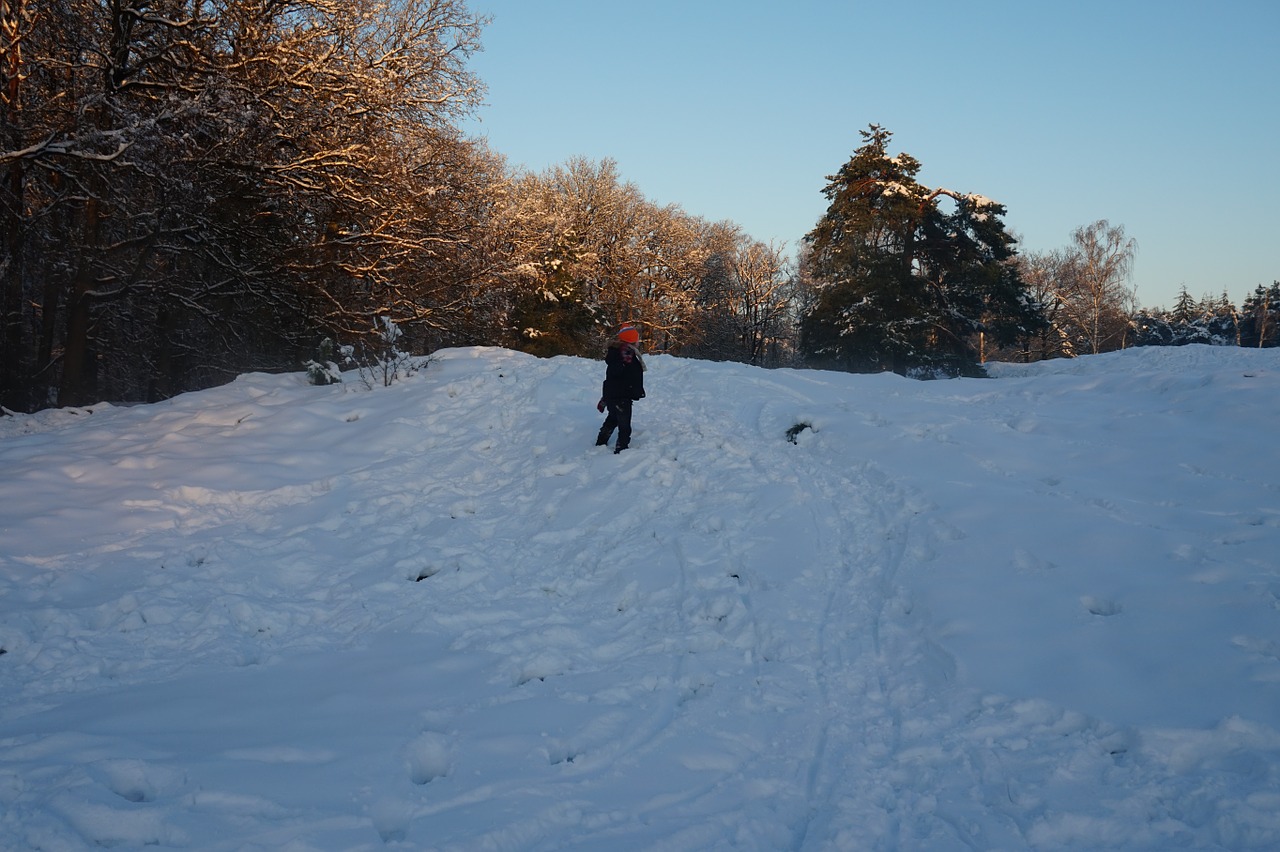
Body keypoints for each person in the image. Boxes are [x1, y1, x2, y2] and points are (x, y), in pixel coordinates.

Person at [596, 325, 646, 453]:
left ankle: (601, 441)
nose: (638, 341)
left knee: (613, 418)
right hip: (621, 396)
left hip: (614, 394)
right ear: (631, 340)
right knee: (624, 426)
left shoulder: (621, 352)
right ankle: (621, 449)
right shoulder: (625, 355)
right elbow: (617, 373)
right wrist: (623, 364)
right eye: (637, 339)